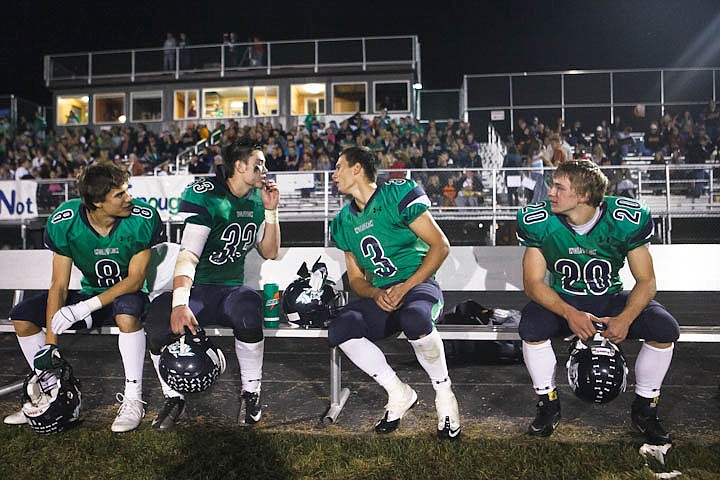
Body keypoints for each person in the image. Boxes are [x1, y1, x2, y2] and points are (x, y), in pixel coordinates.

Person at [516, 159, 679, 445]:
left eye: (558, 187)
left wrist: (626, 318)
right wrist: (569, 313)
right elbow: (532, 283)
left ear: (583, 196)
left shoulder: (624, 219)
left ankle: (645, 407)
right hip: (564, 298)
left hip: (611, 297)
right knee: (531, 326)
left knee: (665, 329)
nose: (549, 192)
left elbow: (646, 281)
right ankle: (548, 402)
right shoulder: (540, 221)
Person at [3, 161, 164, 432]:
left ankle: (134, 397)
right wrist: (50, 346)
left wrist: (83, 308)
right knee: (22, 316)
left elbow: (135, 281)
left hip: (129, 297)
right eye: (120, 195)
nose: (130, 199)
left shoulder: (141, 218)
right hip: (90, 295)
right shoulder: (66, 221)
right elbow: (59, 286)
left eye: (128, 190)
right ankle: (50, 391)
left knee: (126, 311)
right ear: (97, 203)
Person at [144, 142, 280, 431]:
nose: (264, 170)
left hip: (231, 290)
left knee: (248, 308)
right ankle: (173, 397)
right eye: (259, 164)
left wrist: (271, 212)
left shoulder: (256, 201)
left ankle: (251, 392)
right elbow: (188, 256)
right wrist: (180, 303)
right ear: (239, 166)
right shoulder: (209, 197)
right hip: (199, 291)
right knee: (157, 317)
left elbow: (269, 251)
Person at [329, 146, 461, 439]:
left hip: (419, 287)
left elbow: (440, 246)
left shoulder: (395, 195)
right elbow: (355, 279)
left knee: (415, 319)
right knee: (341, 327)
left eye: (339, 167)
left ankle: (444, 396)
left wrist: (406, 286)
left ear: (357, 169)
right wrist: (376, 293)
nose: (334, 174)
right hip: (385, 296)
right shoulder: (343, 221)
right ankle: (398, 392)